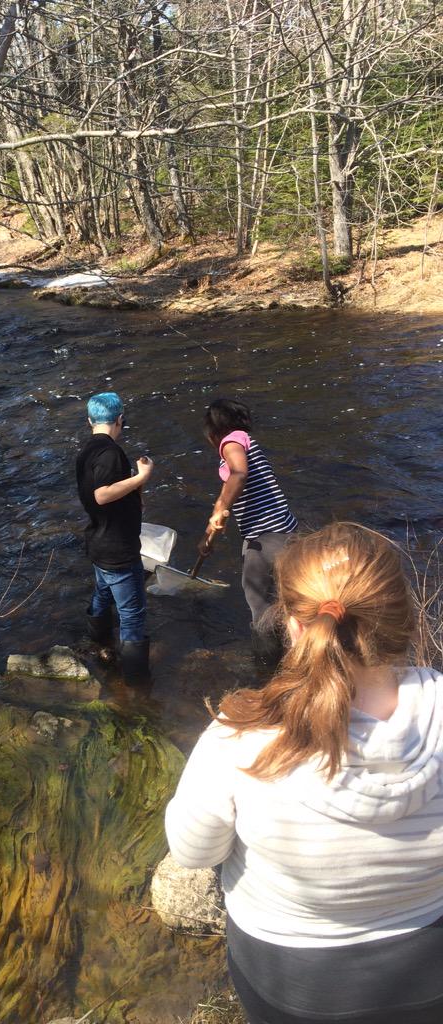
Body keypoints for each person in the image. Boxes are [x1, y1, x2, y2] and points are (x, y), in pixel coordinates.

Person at [165, 522, 443, 1024]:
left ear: (294, 626)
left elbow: (192, 852)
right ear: (404, 620)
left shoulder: (240, 737)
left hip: (290, 985)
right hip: (429, 974)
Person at [200, 397, 297, 664]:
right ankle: (299, 657)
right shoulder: (243, 444)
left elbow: (239, 474)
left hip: (266, 535)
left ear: (214, 430)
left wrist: (220, 507)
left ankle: (267, 667)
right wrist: (208, 537)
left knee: (259, 603)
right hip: (284, 531)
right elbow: (226, 502)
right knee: (288, 599)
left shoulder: (231, 441)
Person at [75, 391, 153, 681]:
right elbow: (103, 494)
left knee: (103, 593)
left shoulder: (87, 451)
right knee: (132, 613)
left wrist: (135, 491)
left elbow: (101, 492)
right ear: (120, 419)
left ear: (89, 421)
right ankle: (136, 684)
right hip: (118, 548)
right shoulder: (110, 453)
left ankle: (98, 644)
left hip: (98, 542)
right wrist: (141, 477)